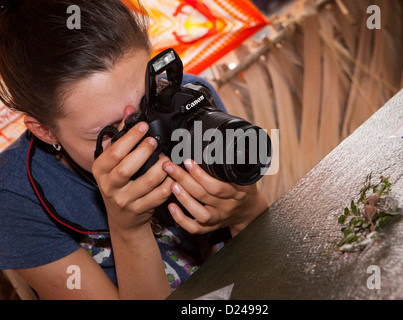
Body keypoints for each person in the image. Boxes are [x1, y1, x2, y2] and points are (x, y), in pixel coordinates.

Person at [0, 0, 268, 299]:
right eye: (111, 131)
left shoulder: (188, 100)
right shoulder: (13, 198)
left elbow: (271, 261)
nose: (144, 133)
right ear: (44, 131)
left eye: (149, 102)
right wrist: (129, 230)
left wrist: (245, 209)